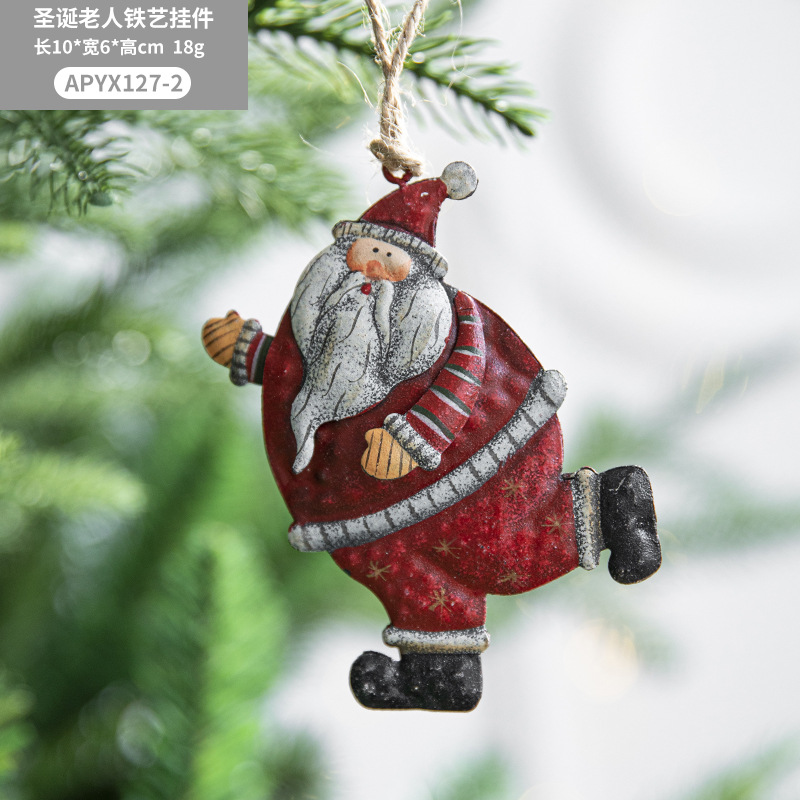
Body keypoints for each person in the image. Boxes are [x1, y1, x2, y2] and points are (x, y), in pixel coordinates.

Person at [202, 163, 660, 711]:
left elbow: (466, 376)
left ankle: (612, 504)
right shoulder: (322, 318)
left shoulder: (446, 325)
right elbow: (308, 371)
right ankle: (442, 675)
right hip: (368, 512)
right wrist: (247, 350)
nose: (373, 269)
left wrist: (416, 437)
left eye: (389, 259)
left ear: (418, 276)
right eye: (365, 254)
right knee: (405, 575)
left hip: (472, 475)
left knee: (499, 551)